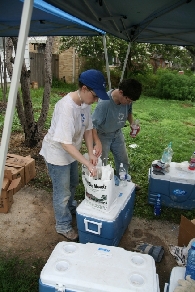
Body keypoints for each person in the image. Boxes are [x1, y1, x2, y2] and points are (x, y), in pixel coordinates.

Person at [39, 69, 109, 241]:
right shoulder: (66, 107)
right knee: (61, 192)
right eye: (95, 96)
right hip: (58, 154)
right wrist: (87, 163)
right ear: (84, 89)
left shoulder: (85, 103)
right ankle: (62, 224)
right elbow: (65, 143)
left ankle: (70, 208)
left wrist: (93, 149)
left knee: (73, 182)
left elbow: (88, 129)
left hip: (72, 152)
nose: (97, 100)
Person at [92, 78, 142, 189]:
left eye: (131, 102)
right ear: (121, 92)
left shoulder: (127, 98)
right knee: (101, 163)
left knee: (123, 159)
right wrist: (97, 142)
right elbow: (92, 125)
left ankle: (124, 181)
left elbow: (128, 112)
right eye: (128, 100)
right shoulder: (104, 103)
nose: (129, 103)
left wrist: (132, 124)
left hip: (117, 133)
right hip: (102, 135)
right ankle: (101, 186)